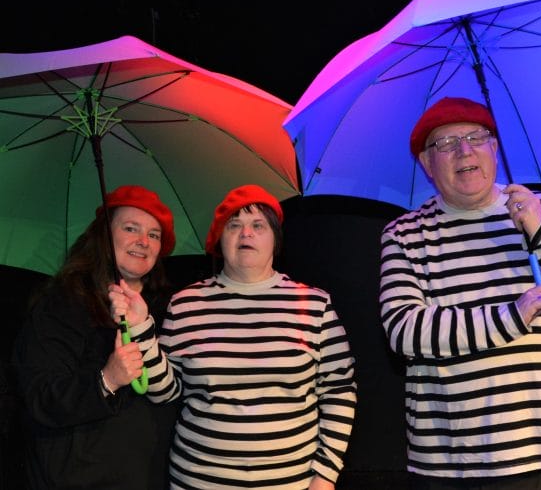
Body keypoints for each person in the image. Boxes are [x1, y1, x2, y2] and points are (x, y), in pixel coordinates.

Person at [379, 96, 541, 489]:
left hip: (538, 449)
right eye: (445, 144)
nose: (463, 151)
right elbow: (403, 331)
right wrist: (510, 317)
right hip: (448, 461)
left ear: (495, 148)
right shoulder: (405, 233)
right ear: (426, 164)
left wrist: (540, 231)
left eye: (475, 137)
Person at [128, 184, 357, 489]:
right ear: (219, 240)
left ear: (275, 239)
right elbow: (165, 392)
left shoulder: (315, 304)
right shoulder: (186, 303)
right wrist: (141, 327)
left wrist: (326, 475)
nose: (246, 233)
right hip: (198, 482)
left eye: (258, 225)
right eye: (233, 225)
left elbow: (340, 391)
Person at [12, 185, 179, 489]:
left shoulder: (170, 306)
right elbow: (40, 397)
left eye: (154, 235)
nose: (143, 241)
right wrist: (107, 379)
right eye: (131, 228)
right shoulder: (63, 303)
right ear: (103, 235)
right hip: (79, 479)